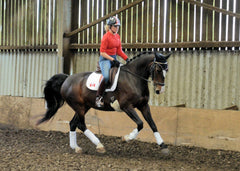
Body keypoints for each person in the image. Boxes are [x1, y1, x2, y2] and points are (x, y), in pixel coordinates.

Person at [96, 16, 129, 107]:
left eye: (118, 26)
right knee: (106, 77)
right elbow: (102, 53)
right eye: (115, 26)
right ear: (110, 27)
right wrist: (113, 60)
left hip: (113, 58)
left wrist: (127, 59)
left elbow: (119, 51)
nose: (117, 28)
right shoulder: (106, 37)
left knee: (121, 75)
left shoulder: (117, 36)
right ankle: (99, 97)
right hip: (105, 59)